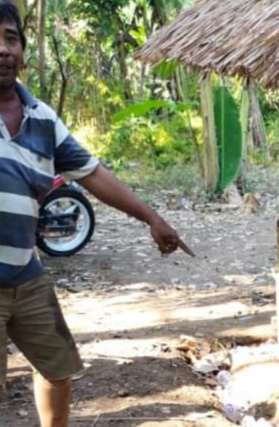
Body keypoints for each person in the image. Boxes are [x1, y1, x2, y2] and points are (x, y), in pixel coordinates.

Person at [0, 3, 192, 426]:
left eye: (11, 38)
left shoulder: (43, 120)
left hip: (24, 272)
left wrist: (151, 217)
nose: (3, 49)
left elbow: (92, 174)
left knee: (58, 369)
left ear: (24, 50)